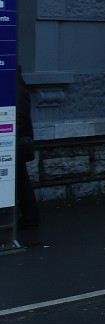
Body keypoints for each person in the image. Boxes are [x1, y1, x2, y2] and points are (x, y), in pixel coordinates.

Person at [15, 66, 39, 229]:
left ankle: (30, 218)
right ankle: (30, 217)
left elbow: (20, 113)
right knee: (20, 179)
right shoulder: (15, 79)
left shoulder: (13, 81)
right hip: (16, 137)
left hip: (14, 139)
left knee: (20, 179)